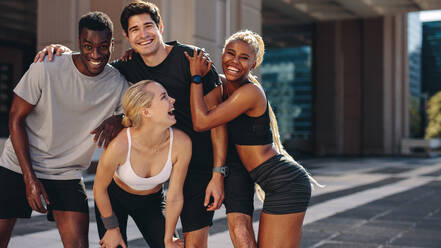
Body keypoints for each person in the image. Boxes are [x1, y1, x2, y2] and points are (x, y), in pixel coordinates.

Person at [33, 2, 236, 247]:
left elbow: (217, 122)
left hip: (196, 162)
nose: (143, 34)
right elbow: (91, 63)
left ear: (160, 26)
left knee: (191, 244)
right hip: (151, 162)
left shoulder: (192, 60)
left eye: (148, 26)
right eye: (135, 30)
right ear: (127, 37)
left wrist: (217, 173)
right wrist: (62, 52)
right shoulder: (127, 66)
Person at [0, 12, 129, 248]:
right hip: (18, 165)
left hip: (66, 172)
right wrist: (30, 179)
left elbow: (139, 112)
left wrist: (120, 118)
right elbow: (15, 119)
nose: (96, 54)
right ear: (79, 42)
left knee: (79, 245)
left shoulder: (117, 83)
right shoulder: (47, 67)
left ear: (112, 44)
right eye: (88, 46)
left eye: (103, 47)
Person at [185, 30, 319, 248]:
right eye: (230, 53)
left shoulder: (251, 93)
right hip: (268, 180)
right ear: (222, 54)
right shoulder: (223, 86)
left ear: (253, 65)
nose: (234, 61)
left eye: (244, 57)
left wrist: (196, 77)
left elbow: (202, 122)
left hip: (287, 184)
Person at [94, 80, 189, 248]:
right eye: (164, 97)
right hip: (114, 200)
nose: (172, 100)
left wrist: (169, 238)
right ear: (146, 111)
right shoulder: (120, 145)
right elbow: (99, 189)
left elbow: (174, 197)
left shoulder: (182, 143)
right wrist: (111, 228)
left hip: (151, 203)